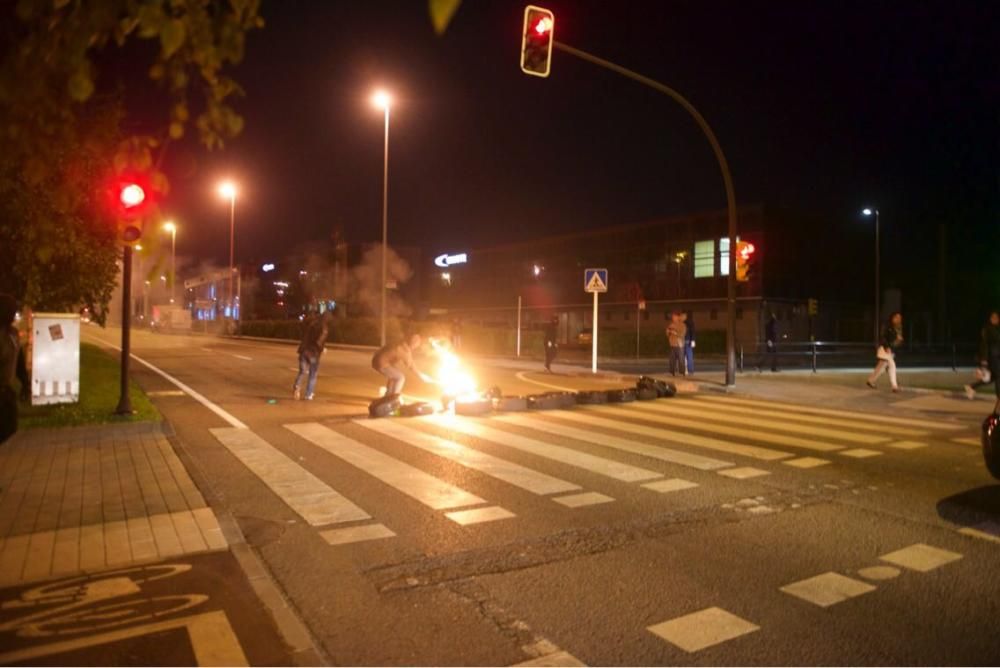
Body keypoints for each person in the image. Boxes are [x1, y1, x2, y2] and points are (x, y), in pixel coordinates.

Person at [293, 309, 334, 400]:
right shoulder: (324, 328)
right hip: (313, 353)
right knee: (312, 374)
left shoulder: (312, 324)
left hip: (303, 350)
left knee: (302, 371)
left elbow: (305, 336)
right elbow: (319, 341)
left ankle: (297, 385)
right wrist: (323, 349)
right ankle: (309, 394)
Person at [965, 311, 1000, 399]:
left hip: (996, 357)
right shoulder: (988, 329)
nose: (994, 319)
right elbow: (984, 344)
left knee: (992, 378)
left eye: (996, 317)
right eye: (993, 317)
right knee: (998, 376)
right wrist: (984, 359)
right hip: (992, 357)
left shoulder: (996, 329)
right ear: (989, 318)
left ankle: (971, 386)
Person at [867, 312, 904, 392]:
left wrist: (898, 341)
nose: (899, 319)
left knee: (881, 367)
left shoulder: (898, 328)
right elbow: (883, 337)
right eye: (897, 317)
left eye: (900, 318)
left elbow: (896, 342)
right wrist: (887, 347)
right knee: (892, 365)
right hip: (884, 349)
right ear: (893, 318)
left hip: (891, 351)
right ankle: (894, 386)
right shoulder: (887, 326)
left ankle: (871, 380)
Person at [1, 294, 20, 444]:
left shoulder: (13, 334)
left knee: (9, 428)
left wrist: (25, 383)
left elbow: (17, 360)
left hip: (6, 393)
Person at [666, 311, 686, 376]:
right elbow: (667, 333)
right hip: (672, 344)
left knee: (681, 359)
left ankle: (682, 372)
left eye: (675, 317)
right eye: (673, 317)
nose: (673, 318)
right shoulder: (671, 325)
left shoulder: (682, 325)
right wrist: (668, 331)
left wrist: (675, 333)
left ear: (678, 317)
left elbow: (682, 334)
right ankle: (672, 371)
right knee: (672, 359)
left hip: (679, 344)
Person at [683, 310, 696, 376]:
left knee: (689, 356)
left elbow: (693, 332)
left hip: (688, 342)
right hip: (682, 342)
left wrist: (693, 341)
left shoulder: (690, 322)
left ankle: (690, 370)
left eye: (684, 315)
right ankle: (684, 370)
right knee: (683, 357)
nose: (682, 317)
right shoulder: (681, 323)